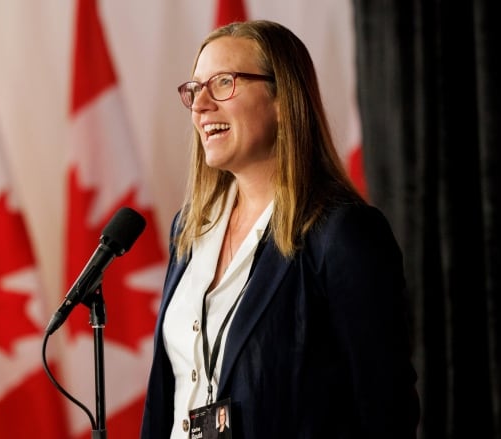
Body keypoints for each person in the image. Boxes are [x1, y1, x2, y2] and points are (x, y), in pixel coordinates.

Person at [140, 19, 420, 438]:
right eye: (195, 89)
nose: (200, 106)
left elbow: (385, 410)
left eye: (222, 83)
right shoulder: (191, 228)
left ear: (282, 99)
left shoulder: (342, 234)